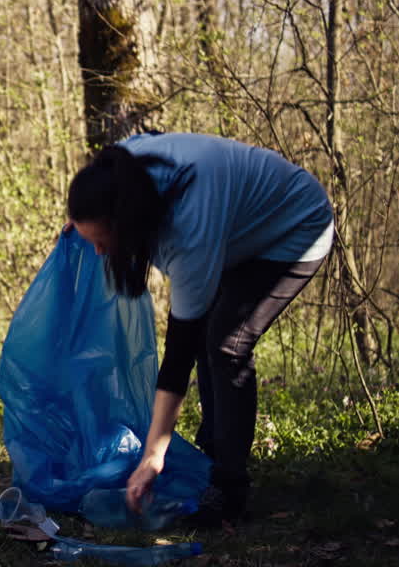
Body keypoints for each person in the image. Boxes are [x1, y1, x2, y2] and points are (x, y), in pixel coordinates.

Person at [66, 132, 334, 526]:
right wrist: (80, 221)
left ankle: (229, 489)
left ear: (127, 223)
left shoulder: (187, 232)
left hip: (296, 226)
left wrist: (153, 456)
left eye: (102, 241)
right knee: (212, 336)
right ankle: (212, 455)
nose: (99, 253)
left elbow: (178, 357)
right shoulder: (121, 167)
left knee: (226, 345)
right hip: (237, 229)